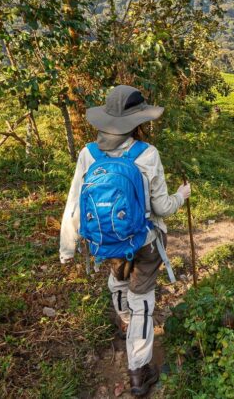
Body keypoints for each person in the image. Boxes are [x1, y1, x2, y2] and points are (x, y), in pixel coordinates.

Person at [59, 85, 190, 397]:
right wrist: (182, 195)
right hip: (144, 241)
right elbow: (162, 207)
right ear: (137, 121)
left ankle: (126, 323)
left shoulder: (88, 154)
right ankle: (139, 371)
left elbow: (75, 203)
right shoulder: (147, 154)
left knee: (118, 282)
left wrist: (67, 249)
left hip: (106, 240)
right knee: (142, 299)